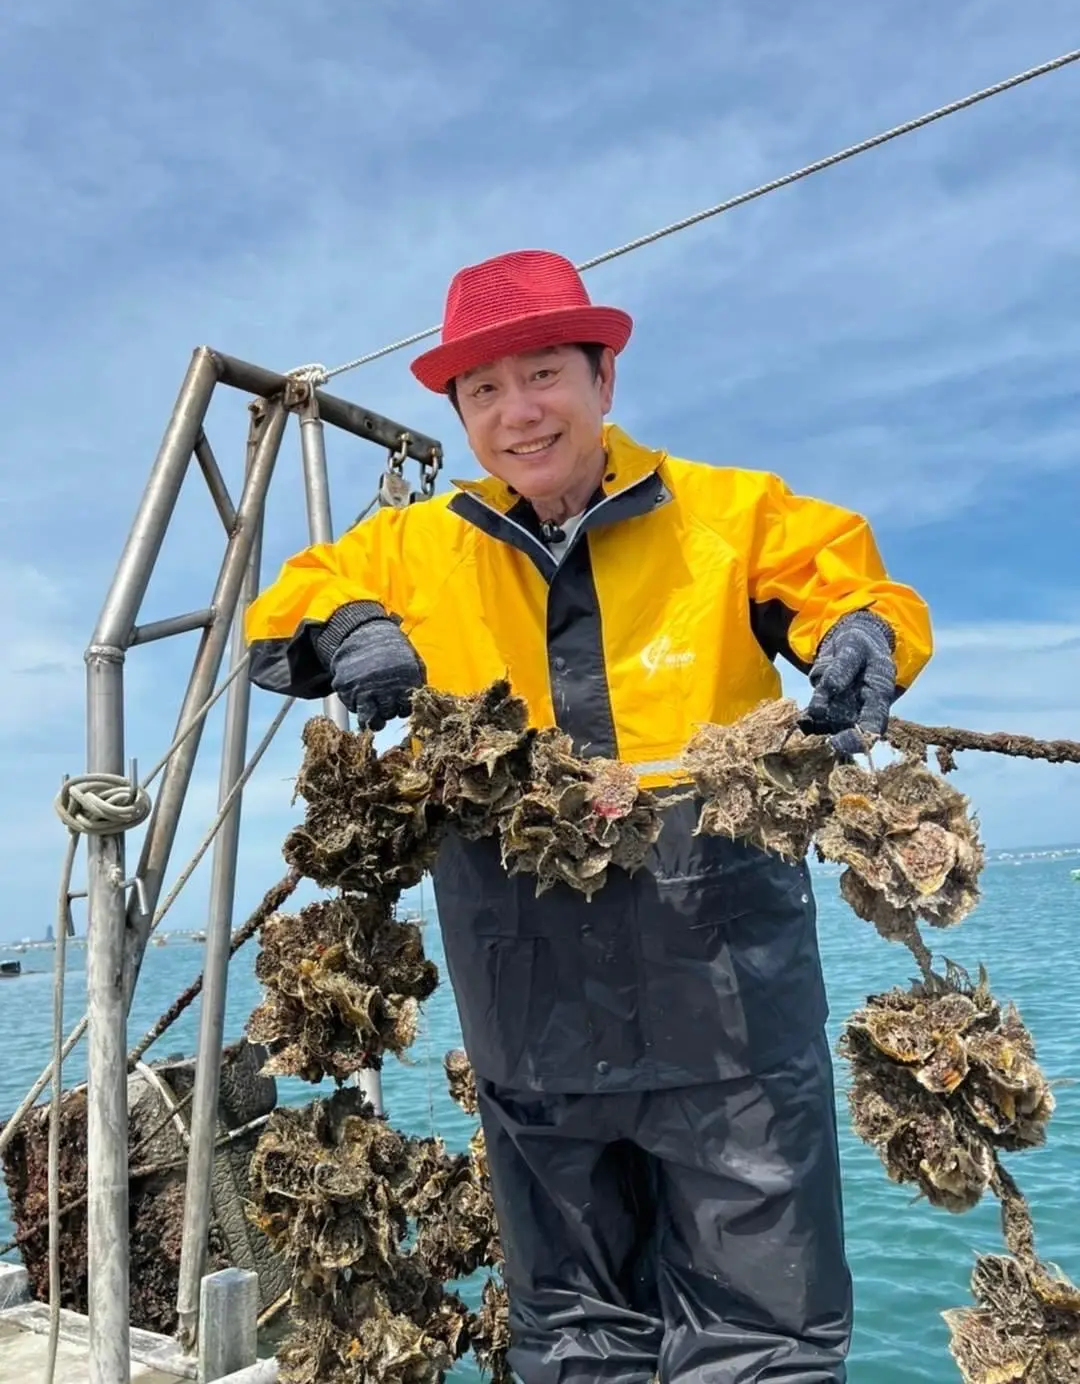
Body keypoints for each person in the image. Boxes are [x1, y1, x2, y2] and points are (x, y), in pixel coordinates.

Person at [245, 249, 933, 1382]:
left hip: (727, 1000)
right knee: (574, 1332)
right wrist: (354, 627)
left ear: (603, 380)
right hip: (529, 1006)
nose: (519, 412)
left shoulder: (729, 513)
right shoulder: (417, 545)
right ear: (461, 413)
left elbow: (849, 586)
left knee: (766, 1330)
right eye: (484, 391)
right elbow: (291, 601)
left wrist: (862, 637)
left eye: (545, 374)